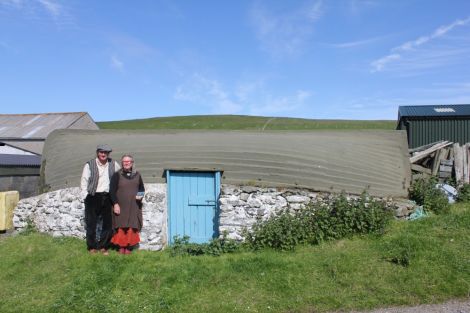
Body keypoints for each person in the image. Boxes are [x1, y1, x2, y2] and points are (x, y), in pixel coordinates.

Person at [80, 144, 120, 255]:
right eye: (101, 152)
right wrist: (86, 196)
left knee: (107, 224)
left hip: (107, 197)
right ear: (98, 153)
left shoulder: (114, 164)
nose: (103, 154)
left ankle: (103, 246)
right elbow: (84, 181)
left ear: (108, 154)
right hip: (93, 196)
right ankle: (92, 247)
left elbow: (119, 177)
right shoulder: (89, 164)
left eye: (106, 152)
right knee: (91, 223)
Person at [110, 154, 145, 254]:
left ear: (132, 163)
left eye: (128, 161)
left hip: (134, 206)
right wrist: (115, 204)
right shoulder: (117, 175)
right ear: (122, 163)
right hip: (121, 206)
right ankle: (121, 247)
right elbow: (112, 191)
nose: (126, 163)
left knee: (131, 226)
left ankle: (129, 248)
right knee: (121, 226)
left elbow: (142, 189)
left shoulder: (138, 175)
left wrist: (140, 195)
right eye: (124, 161)